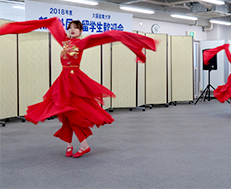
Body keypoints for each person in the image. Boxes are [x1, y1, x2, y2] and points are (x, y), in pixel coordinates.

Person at [0, 17, 156, 158]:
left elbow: (107, 36)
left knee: (73, 113)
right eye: (70, 27)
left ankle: (84, 145)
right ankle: (69, 145)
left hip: (75, 80)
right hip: (63, 80)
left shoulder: (82, 42)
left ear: (81, 31)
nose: (72, 29)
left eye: (75, 27)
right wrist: (8, 29)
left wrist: (135, 45)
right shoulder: (64, 41)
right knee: (65, 114)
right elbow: (52, 24)